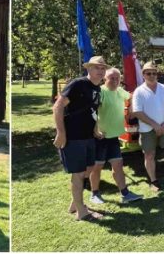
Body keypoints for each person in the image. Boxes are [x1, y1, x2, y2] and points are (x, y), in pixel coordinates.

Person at [53, 56, 106, 221]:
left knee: (89, 169)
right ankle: (82, 213)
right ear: (88, 69)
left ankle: (75, 204)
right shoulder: (78, 84)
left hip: (88, 136)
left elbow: (93, 112)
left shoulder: (98, 89)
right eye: (97, 67)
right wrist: (61, 133)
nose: (100, 71)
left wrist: (95, 130)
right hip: (73, 137)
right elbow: (58, 106)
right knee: (78, 173)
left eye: (103, 68)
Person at [89, 67, 144, 204]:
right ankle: (94, 194)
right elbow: (92, 112)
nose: (115, 81)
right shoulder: (100, 92)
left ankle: (125, 193)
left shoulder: (120, 91)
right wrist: (96, 130)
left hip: (114, 137)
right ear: (105, 79)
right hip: (100, 137)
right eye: (111, 78)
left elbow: (131, 97)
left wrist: (131, 109)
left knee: (118, 165)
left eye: (117, 78)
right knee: (97, 167)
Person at [132, 61, 164, 191]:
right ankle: (153, 181)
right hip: (147, 129)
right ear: (143, 75)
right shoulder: (139, 91)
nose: (152, 75)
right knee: (149, 155)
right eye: (149, 73)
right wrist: (154, 125)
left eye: (154, 73)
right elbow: (137, 112)